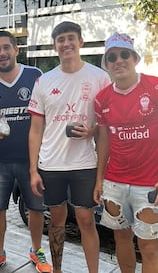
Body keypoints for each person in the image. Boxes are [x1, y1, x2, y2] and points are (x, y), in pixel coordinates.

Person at [94, 32, 158, 273]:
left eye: (124, 54)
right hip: (114, 183)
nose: (119, 61)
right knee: (121, 240)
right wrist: (99, 180)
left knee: (148, 248)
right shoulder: (102, 98)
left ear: (135, 58)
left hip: (149, 186)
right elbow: (104, 141)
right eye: (112, 57)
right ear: (107, 64)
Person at [28, 21, 111, 273]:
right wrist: (33, 169)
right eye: (61, 39)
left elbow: (108, 123)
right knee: (57, 220)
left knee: (86, 220)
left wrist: (92, 130)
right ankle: (58, 269)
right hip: (51, 163)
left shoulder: (100, 77)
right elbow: (35, 129)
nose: (66, 43)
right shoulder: (44, 81)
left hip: (85, 163)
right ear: (55, 46)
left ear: (81, 42)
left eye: (71, 38)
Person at [0, 30, 52, 273]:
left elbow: (47, 112)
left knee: (36, 208)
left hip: (33, 159)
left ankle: (37, 250)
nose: (2, 53)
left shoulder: (34, 76)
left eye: (6, 47)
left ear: (16, 50)